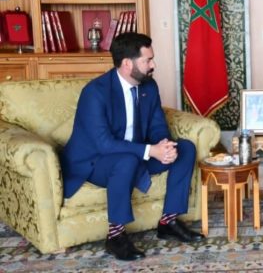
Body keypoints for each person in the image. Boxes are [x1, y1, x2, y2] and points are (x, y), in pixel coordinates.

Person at [60, 33, 203, 261]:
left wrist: (164, 146)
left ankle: (168, 222)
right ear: (127, 64)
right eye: (148, 60)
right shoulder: (95, 92)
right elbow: (104, 144)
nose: (153, 65)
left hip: (135, 154)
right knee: (126, 160)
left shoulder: (149, 86)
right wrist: (150, 151)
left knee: (185, 148)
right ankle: (115, 236)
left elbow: (157, 125)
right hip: (95, 162)